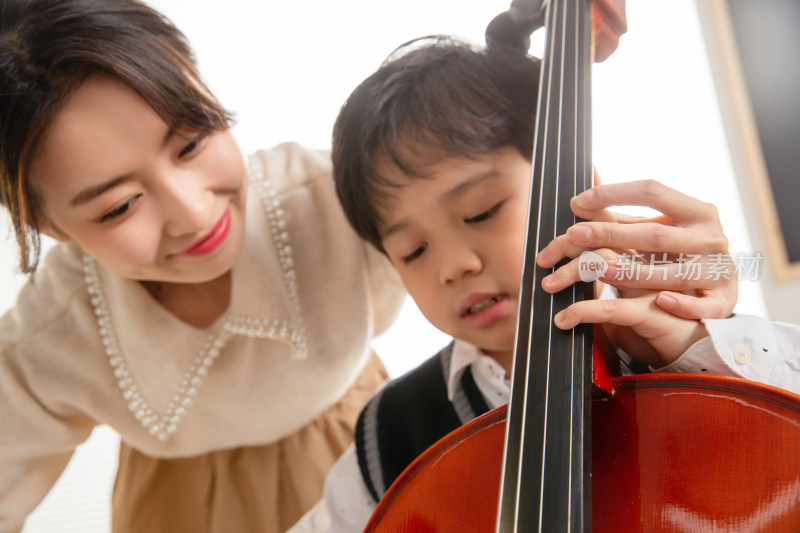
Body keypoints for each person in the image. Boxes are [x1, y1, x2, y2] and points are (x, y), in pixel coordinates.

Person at [288, 36, 800, 532]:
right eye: (412, 251)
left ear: (580, 185)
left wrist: (696, 354)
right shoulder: (390, 434)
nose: (452, 266)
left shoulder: (699, 342)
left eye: (481, 211)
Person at [0, 1, 408, 532]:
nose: (193, 213)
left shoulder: (340, 196)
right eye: (120, 206)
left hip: (361, 456)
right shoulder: (54, 332)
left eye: (191, 142)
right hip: (175, 509)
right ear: (52, 228)